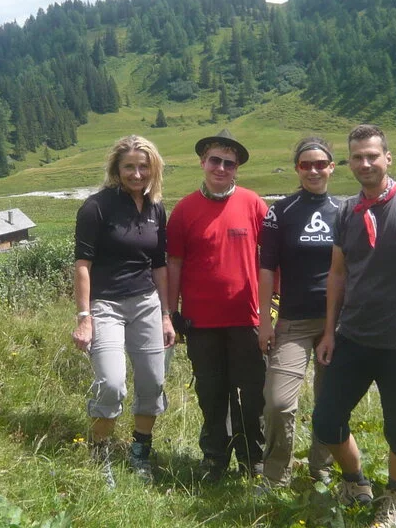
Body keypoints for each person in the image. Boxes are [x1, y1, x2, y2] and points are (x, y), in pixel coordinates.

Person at [312, 124, 396, 528]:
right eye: (357, 156)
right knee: (326, 420)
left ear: (388, 158)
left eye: (373, 155)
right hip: (353, 338)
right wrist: (329, 331)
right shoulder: (346, 212)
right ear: (349, 163)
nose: (365, 163)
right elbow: (338, 274)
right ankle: (356, 483)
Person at [166, 128, 267, 483]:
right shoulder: (183, 210)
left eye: (229, 162)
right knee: (212, 393)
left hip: (247, 318)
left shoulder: (254, 204)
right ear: (202, 162)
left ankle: (253, 458)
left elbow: (270, 259)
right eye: (215, 160)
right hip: (200, 322)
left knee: (252, 393)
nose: (221, 168)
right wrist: (172, 311)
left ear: (237, 168)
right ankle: (214, 458)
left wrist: (274, 306)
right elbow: (174, 262)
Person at [72, 135, 174, 485]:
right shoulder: (96, 207)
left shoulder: (156, 208)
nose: (136, 173)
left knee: (153, 382)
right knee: (112, 384)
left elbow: (159, 265)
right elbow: (82, 264)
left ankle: (139, 453)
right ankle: (101, 456)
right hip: (106, 306)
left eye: (143, 166)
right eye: (129, 166)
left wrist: (165, 314)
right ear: (116, 168)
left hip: (146, 303)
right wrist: (84, 317)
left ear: (153, 169)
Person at [257, 136, 339, 489]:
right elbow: (265, 270)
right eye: (306, 165)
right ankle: (276, 473)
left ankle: (321, 469)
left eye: (321, 164)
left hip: (335, 322)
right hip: (292, 320)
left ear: (332, 167)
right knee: (277, 403)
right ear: (297, 169)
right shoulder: (281, 211)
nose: (314, 170)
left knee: (330, 399)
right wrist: (264, 321)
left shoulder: (345, 210)